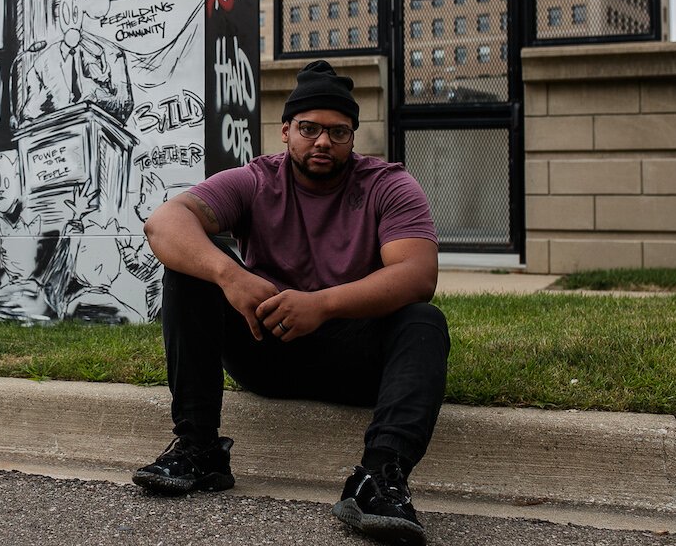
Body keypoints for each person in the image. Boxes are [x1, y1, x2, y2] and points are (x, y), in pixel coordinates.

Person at [132, 60, 449, 546]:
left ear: (352, 138)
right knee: (191, 269)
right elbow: (164, 223)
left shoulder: (387, 184)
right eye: (309, 129)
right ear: (286, 131)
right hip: (266, 347)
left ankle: (378, 478)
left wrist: (321, 305)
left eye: (338, 132)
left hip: (356, 358)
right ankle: (199, 451)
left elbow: (417, 274)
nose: (323, 142)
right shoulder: (256, 180)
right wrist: (230, 275)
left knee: (423, 321)